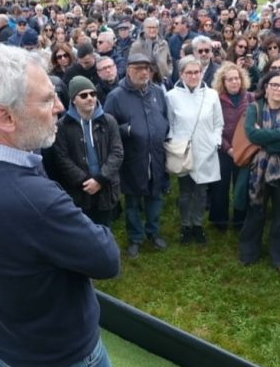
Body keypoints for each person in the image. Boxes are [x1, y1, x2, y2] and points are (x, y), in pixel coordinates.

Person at [0, 43, 120, 367]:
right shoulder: (33, 199)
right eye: (47, 100)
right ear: (5, 117)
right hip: (59, 366)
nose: (60, 107)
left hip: (1, 346)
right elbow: (107, 257)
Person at [103, 53, 170, 258]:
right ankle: (135, 237)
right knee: (132, 200)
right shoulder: (116, 96)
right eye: (139, 69)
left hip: (156, 155)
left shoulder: (157, 92)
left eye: (147, 68)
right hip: (132, 158)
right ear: (129, 70)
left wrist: (162, 131)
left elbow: (164, 117)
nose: (144, 73)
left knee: (155, 195)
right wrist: (127, 130)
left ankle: (153, 231)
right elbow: (106, 128)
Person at [239, 70, 280, 273]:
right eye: (274, 85)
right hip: (258, 168)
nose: (278, 89)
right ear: (266, 87)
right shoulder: (255, 108)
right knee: (255, 208)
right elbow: (252, 134)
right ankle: (249, 251)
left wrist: (267, 143)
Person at [47, 76, 123, 226]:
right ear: (73, 100)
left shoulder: (109, 121)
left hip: (106, 186)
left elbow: (117, 152)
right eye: (83, 95)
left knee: (105, 228)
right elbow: (62, 158)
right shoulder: (63, 126)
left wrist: (100, 179)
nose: (90, 98)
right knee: (82, 229)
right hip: (80, 190)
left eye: (93, 94)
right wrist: (85, 181)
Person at [166, 56, 224, 244]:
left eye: (197, 72)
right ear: (181, 74)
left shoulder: (212, 95)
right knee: (185, 192)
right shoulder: (172, 96)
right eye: (189, 72)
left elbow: (218, 123)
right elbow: (170, 124)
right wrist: (175, 144)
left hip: (206, 149)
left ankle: (198, 225)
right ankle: (185, 226)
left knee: (201, 191)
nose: (193, 76)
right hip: (183, 151)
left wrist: (215, 142)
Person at [209, 62, 252, 231]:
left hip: (244, 150)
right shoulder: (216, 100)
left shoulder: (249, 98)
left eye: (237, 78)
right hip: (223, 149)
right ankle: (220, 220)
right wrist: (228, 149)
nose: (234, 82)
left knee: (242, 186)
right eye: (230, 79)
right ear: (223, 82)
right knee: (220, 186)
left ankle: (240, 220)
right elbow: (213, 127)